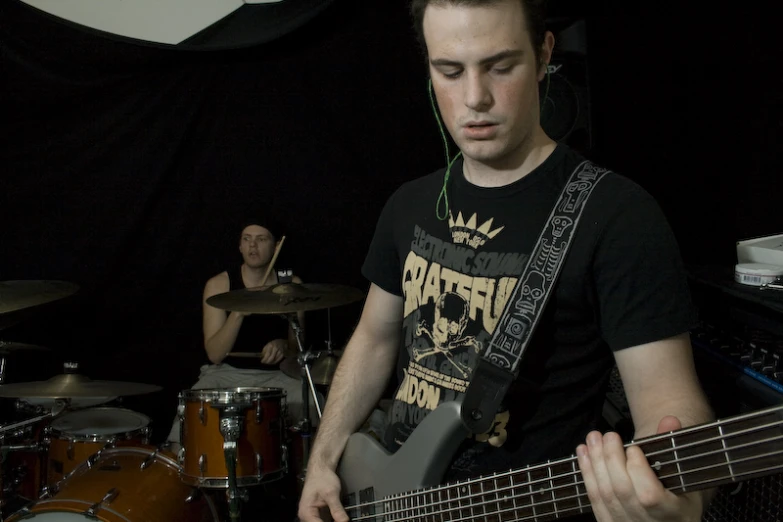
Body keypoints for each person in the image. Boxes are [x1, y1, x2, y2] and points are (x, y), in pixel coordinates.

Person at [297, 1, 716, 522]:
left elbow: (670, 404)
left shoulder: (617, 215)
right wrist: (323, 459)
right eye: (449, 71)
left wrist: (679, 498)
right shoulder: (409, 204)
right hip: (390, 498)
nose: (474, 98)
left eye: (500, 66)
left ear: (543, 56)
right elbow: (375, 338)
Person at [165, 220, 319, 450]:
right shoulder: (219, 285)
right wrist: (237, 312)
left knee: (315, 404)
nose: (253, 246)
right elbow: (215, 354)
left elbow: (296, 348)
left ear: (276, 247)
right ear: (239, 246)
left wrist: (282, 346)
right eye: (247, 239)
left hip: (278, 377)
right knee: (191, 410)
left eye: (261, 239)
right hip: (226, 373)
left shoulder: (291, 284)